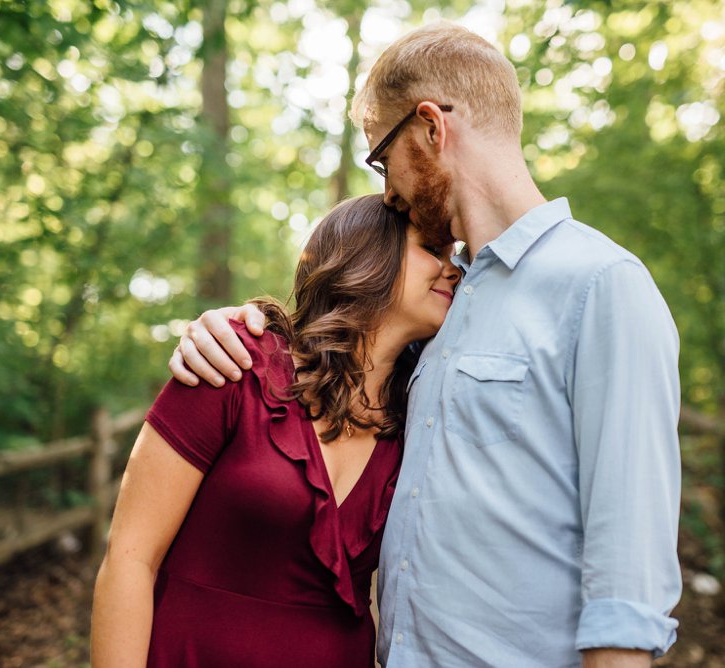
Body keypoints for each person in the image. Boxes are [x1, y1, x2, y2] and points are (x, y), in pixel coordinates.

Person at [170, 22, 682, 668]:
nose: (387, 191)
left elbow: (628, 584)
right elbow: (331, 376)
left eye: (384, 160)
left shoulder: (600, 287)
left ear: (432, 129)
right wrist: (223, 328)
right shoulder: (439, 301)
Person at [90, 194, 461, 667]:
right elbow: (129, 560)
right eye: (433, 249)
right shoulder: (235, 362)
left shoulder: (422, 417)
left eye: (455, 258)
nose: (453, 270)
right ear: (368, 254)